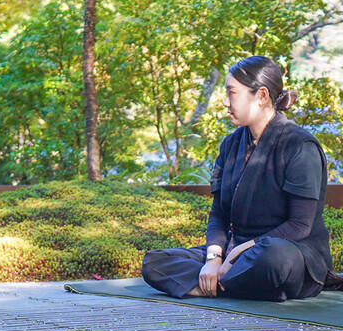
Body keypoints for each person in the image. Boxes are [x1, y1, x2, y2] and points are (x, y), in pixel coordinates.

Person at [141, 55, 332, 302]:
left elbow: (299, 225)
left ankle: (210, 285)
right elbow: (219, 214)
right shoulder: (231, 144)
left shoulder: (299, 145)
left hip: (289, 253)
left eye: (232, 93)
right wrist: (214, 258)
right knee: (155, 262)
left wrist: (240, 252)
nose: (224, 102)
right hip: (235, 254)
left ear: (262, 96)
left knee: (273, 258)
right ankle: (232, 284)